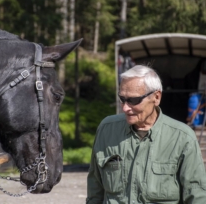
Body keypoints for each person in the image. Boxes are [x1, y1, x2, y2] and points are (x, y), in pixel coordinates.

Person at [86, 65, 206, 204]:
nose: (125, 107)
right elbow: (95, 192)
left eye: (134, 100)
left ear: (156, 97)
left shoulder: (183, 138)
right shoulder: (107, 130)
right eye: (122, 99)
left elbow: (197, 197)